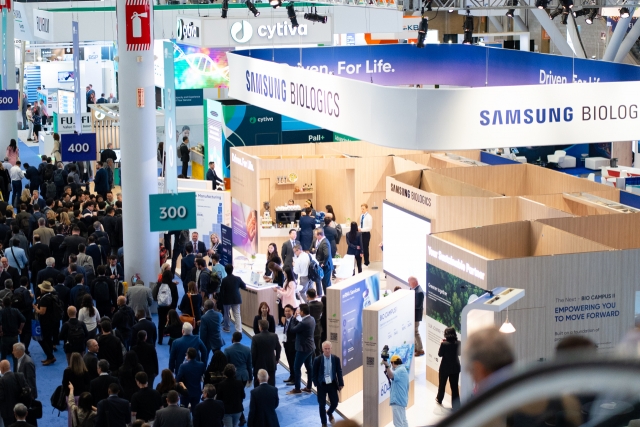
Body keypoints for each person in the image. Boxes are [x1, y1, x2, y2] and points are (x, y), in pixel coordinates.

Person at [463, 327, 514, 392]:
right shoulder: (526, 394)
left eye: (471, 372)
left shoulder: (489, 400)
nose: (473, 379)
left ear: (478, 369)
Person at [312, 342, 344, 427]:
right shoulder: (317, 360)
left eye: (328, 348)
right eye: (325, 349)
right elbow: (314, 372)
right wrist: (316, 383)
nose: (327, 350)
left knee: (335, 403)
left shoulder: (336, 359)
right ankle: (324, 423)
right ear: (322, 349)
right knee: (321, 405)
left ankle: (329, 412)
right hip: (321, 385)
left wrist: (341, 383)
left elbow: (339, 371)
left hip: (332, 384)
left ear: (331, 349)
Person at [287, 304, 315, 395]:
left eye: (299, 311)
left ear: (302, 312)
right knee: (309, 367)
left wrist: (294, 319)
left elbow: (292, 329)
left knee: (296, 367)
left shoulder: (304, 322)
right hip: (310, 347)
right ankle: (309, 387)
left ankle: (297, 388)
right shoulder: (312, 319)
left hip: (303, 348)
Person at [33, 281, 60, 365]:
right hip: (52, 321)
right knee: (48, 339)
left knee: (42, 339)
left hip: (45, 322)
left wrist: (35, 308)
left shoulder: (44, 299)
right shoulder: (51, 296)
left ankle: (50, 356)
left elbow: (42, 312)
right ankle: (49, 356)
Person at [436, 327, 461, 410]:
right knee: (454, 387)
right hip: (455, 367)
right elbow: (460, 353)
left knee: (442, 385)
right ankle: (456, 405)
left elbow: (440, 354)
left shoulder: (444, 344)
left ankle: (439, 399)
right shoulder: (459, 343)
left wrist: (441, 344)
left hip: (444, 367)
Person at [251, 319, 281, 388]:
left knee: (258, 385)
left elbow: (253, 353)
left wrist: (253, 364)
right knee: (271, 384)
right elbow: (278, 348)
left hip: (259, 364)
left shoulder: (255, 338)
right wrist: (277, 359)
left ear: (260, 327)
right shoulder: (274, 336)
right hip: (271, 363)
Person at [382, 355, 409, 427]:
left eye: (391, 364)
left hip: (397, 401)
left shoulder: (400, 370)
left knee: (398, 423)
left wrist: (387, 366)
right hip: (401, 400)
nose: (392, 366)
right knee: (403, 421)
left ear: (393, 363)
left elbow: (391, 376)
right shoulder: (403, 370)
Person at [0, 360, 28, 425]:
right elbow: (27, 390)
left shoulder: (1, 381)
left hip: (8, 413)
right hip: (20, 409)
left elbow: (1, 397)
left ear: (2, 368)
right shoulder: (20, 376)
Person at [219, 264, 246, 333]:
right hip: (236, 298)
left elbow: (221, 291)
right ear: (232, 270)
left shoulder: (224, 280)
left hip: (226, 299)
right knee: (237, 314)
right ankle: (239, 330)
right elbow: (244, 286)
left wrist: (220, 300)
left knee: (226, 314)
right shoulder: (238, 278)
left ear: (225, 270)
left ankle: (227, 328)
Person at [154, 270, 178, 345]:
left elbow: (155, 296)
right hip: (170, 307)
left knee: (161, 323)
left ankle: (160, 340)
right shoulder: (173, 285)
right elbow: (176, 297)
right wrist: (174, 307)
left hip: (161, 307)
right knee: (171, 323)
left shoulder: (159, 285)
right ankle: (170, 340)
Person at [0, 295, 25, 363]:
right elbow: (23, 320)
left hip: (5, 337)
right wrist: (20, 329)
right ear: (11, 303)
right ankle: (16, 372)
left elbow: (0, 323)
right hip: (14, 337)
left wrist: (1, 331)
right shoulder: (16, 310)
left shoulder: (1, 312)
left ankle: (2, 372)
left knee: (3, 357)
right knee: (15, 357)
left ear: (3, 303)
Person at [407, 276, 425, 357]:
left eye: (409, 282)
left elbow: (418, 305)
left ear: (414, 282)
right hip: (412, 315)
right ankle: (416, 348)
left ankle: (420, 349)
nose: (408, 284)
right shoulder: (413, 289)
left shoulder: (419, 292)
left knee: (416, 332)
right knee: (413, 332)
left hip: (416, 316)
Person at [313, 228, 333, 295]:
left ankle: (328, 299)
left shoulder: (324, 242)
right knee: (325, 283)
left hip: (326, 266)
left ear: (319, 235)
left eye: (316, 235)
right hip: (324, 265)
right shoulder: (322, 241)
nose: (315, 237)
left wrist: (323, 263)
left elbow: (327, 254)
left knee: (326, 284)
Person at [281, 305, 296, 384]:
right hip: (286, 343)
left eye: (288, 311)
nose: (287, 312)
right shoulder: (286, 320)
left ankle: (295, 378)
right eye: (285, 311)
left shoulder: (295, 320)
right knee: (289, 361)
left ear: (292, 311)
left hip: (293, 345)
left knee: (293, 362)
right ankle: (291, 376)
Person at [306, 289, 323, 356]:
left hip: (310, 329)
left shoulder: (307, 306)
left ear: (307, 296)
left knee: (311, 349)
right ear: (316, 295)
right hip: (318, 328)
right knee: (318, 348)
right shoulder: (320, 304)